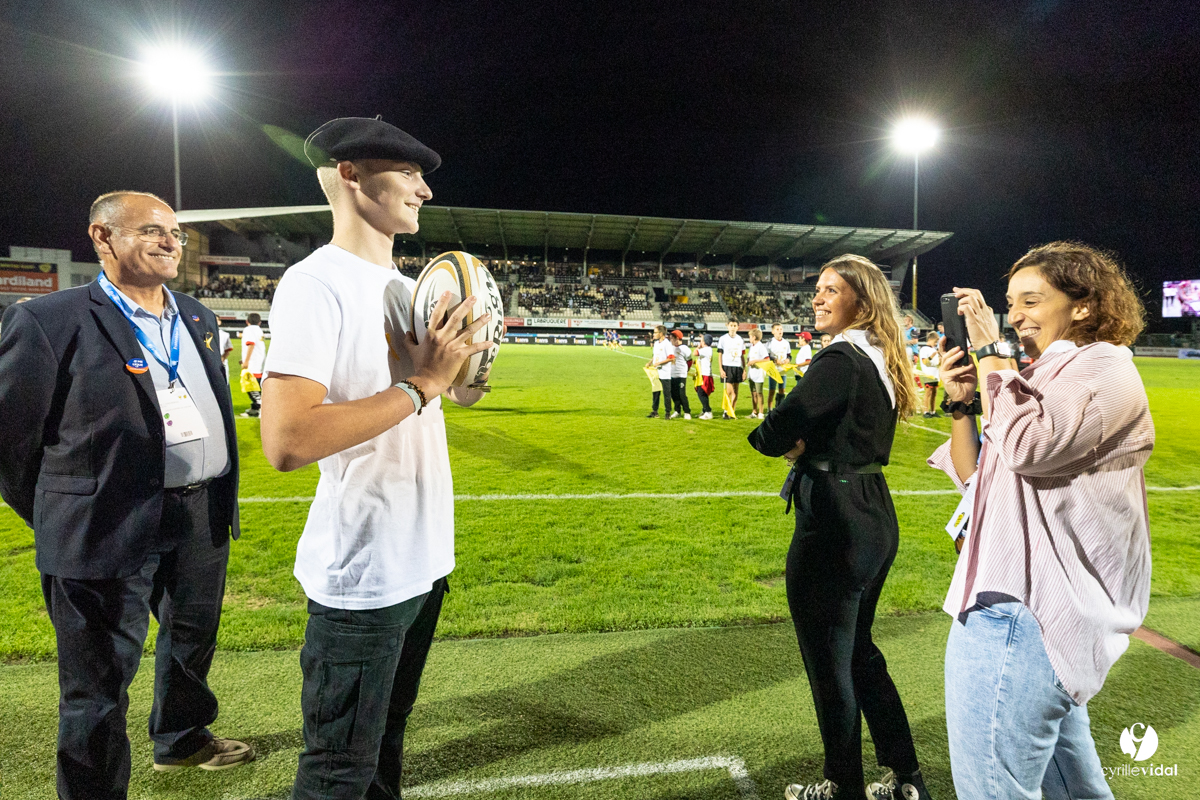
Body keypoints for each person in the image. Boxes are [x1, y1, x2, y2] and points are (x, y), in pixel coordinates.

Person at [259, 117, 492, 800]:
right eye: (408, 172)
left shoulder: (406, 286)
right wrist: (422, 385)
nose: (423, 189)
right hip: (364, 576)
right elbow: (288, 440)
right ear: (352, 174)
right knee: (338, 770)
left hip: (422, 562)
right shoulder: (316, 283)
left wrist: (464, 371)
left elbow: (446, 400)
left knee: (385, 746)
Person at [0, 190, 250, 799]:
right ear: (102, 237)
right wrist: (64, 512)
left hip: (200, 513)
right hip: (102, 526)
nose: (171, 241)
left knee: (191, 639)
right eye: (152, 230)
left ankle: (182, 738)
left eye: (175, 232)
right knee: (96, 681)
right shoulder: (48, 319)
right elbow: (9, 442)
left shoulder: (196, 316)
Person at [930, 242, 1153, 800]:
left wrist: (989, 351)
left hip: (1025, 612)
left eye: (1032, 300)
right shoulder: (1034, 375)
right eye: (1010, 303)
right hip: (1020, 608)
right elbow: (977, 478)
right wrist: (961, 403)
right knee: (1076, 791)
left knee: (991, 791)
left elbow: (1029, 446)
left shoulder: (1104, 369)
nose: (1016, 315)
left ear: (1082, 306)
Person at [747, 254, 930, 800]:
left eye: (832, 290)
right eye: (818, 289)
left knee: (830, 662)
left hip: (833, 516)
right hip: (873, 510)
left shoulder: (841, 359)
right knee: (858, 653)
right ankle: (905, 778)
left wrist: (780, 443)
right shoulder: (877, 356)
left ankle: (842, 786)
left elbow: (775, 428)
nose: (818, 298)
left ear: (863, 302)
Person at [717, 319, 746, 419]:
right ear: (727, 326)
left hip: (737, 367)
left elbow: (742, 356)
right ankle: (726, 411)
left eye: (735, 325)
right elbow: (720, 354)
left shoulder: (740, 340)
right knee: (729, 391)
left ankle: (731, 412)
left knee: (736, 391)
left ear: (738, 327)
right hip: (727, 366)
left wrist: (744, 369)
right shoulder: (723, 339)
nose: (733, 327)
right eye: (731, 325)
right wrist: (721, 369)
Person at [239, 312, 266, 417]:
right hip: (259, 360)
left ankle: (260, 408)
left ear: (247, 321)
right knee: (256, 384)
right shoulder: (259, 330)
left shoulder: (248, 330)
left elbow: (250, 344)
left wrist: (246, 361)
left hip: (253, 362)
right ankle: (254, 409)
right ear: (259, 322)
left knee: (250, 385)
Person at [648, 324, 674, 418]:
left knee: (666, 394)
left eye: (655, 332)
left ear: (661, 333)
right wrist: (650, 362)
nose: (653, 334)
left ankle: (668, 413)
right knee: (655, 392)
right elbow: (655, 355)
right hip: (656, 371)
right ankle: (655, 411)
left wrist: (659, 363)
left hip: (665, 372)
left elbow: (671, 358)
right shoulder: (656, 343)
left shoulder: (667, 344)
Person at [746, 326, 770, 419]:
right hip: (751, 373)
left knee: (759, 393)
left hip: (759, 374)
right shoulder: (752, 346)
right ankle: (754, 411)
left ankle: (761, 412)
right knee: (753, 393)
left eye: (750, 336)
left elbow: (767, 359)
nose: (749, 338)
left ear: (754, 337)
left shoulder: (761, 346)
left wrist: (755, 361)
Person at [767, 322, 792, 411]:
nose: (780, 331)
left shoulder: (786, 343)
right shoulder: (770, 342)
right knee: (772, 391)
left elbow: (789, 355)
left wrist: (788, 360)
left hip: (782, 370)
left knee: (782, 390)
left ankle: (779, 408)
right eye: (777, 329)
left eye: (781, 329)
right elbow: (767, 356)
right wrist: (774, 360)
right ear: (773, 331)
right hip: (773, 370)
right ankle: (769, 409)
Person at [916, 331, 942, 417]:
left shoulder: (933, 349)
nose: (936, 343)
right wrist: (933, 355)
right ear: (930, 339)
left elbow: (936, 362)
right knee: (928, 393)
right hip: (928, 374)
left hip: (935, 374)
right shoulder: (924, 349)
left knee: (934, 393)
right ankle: (925, 411)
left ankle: (933, 411)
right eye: (935, 341)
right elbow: (925, 362)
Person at [669, 329, 692, 420]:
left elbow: (689, 361)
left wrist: (686, 371)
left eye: (672, 338)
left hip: (681, 375)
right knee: (673, 394)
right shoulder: (671, 348)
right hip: (672, 374)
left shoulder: (685, 349)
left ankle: (687, 412)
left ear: (677, 338)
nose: (670, 340)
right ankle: (677, 411)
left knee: (681, 394)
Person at [693, 333, 716, 419]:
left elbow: (695, 353)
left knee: (701, 393)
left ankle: (708, 411)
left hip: (704, 375)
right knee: (703, 393)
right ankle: (704, 410)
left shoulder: (705, 349)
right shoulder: (708, 349)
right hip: (705, 374)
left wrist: (698, 346)